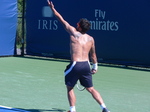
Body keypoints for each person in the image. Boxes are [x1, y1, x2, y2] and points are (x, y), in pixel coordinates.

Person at [47, 1, 110, 112]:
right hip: (86, 65)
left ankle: (72, 110)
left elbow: (61, 19)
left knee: (69, 88)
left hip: (76, 65)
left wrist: (52, 9)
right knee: (91, 89)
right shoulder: (91, 39)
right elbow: (93, 55)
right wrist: (95, 67)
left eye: (78, 24)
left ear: (80, 27)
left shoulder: (73, 33)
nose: (76, 24)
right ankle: (104, 108)